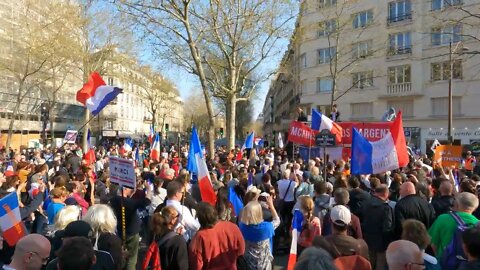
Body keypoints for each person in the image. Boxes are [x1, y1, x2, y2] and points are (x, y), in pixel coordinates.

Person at [188, 202, 245, 270]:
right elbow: (241, 250)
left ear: (200, 219)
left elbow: (196, 265)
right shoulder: (232, 227)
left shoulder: (199, 237)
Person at [109, 186, 151, 270]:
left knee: (119, 255)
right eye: (129, 188)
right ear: (124, 189)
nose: (132, 190)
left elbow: (126, 204)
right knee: (131, 259)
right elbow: (146, 202)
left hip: (118, 231)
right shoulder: (129, 203)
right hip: (131, 233)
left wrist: (130, 194)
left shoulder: (113, 200)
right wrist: (149, 190)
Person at [429, 192, 479, 259]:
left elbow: (433, 244)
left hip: (445, 263)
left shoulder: (443, 218)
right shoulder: (478, 224)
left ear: (457, 205)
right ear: (475, 208)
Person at [239, 198, 280, 270]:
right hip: (264, 264)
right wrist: (271, 205)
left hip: (248, 263)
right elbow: (277, 220)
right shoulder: (267, 227)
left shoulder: (242, 226)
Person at [361, 184, 395, 270]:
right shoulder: (386, 208)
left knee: (369, 264)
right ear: (385, 194)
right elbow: (387, 227)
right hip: (381, 243)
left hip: (368, 239)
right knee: (380, 265)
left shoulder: (365, 204)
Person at [150, 206, 188, 270]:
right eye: (177, 216)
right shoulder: (179, 241)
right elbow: (182, 266)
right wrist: (179, 238)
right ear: (172, 221)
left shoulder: (156, 233)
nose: (179, 219)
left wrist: (176, 234)